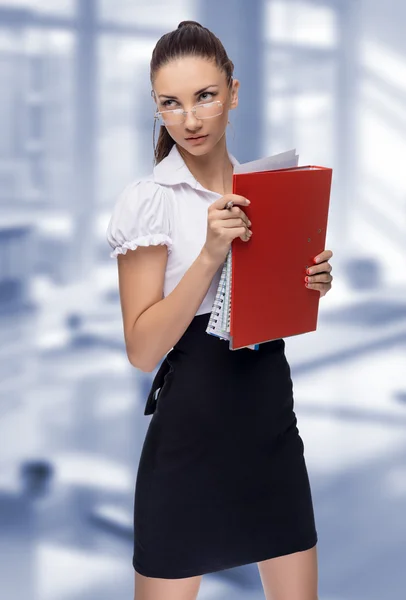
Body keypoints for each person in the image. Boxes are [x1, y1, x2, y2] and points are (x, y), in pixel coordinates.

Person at [106, 20, 333, 600]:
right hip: (191, 431)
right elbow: (142, 350)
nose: (191, 119)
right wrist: (210, 254)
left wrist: (308, 283)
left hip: (269, 418)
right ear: (156, 109)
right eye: (171, 103)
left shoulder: (272, 187)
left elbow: (270, 311)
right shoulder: (151, 202)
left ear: (233, 91)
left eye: (205, 96)